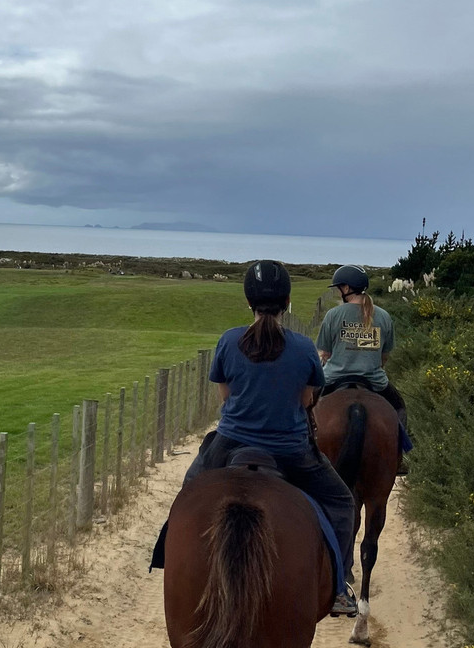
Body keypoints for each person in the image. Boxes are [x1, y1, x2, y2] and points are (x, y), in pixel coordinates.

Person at [151, 260, 358, 617]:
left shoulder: (229, 341)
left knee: (188, 492)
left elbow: (225, 398)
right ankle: (339, 590)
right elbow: (308, 400)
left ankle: (170, 558)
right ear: (287, 301)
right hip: (291, 451)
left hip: (230, 444)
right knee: (341, 503)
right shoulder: (304, 348)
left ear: (249, 302)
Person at [316, 264, 409, 474]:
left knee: (303, 408)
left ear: (347, 288)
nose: (339, 291)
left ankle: (302, 451)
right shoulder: (383, 316)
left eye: (339, 287)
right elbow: (385, 356)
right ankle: (399, 457)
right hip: (374, 380)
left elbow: (325, 354)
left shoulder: (333, 315)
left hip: (333, 379)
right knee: (399, 407)